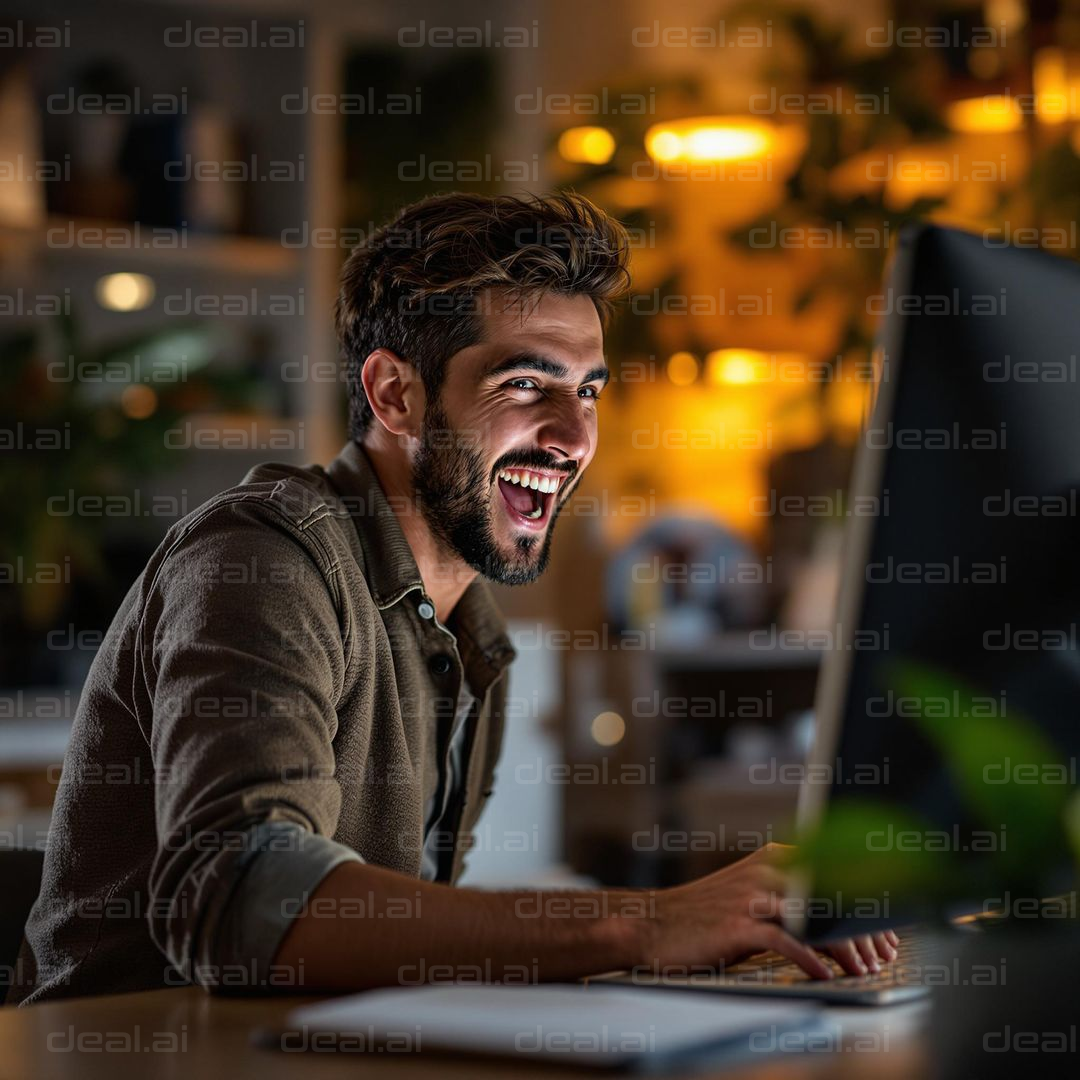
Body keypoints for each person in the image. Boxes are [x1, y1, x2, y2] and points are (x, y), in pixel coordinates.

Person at [10, 192, 895, 1005]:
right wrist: (649, 924)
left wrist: (718, 946)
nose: (576, 436)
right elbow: (242, 899)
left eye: (588, 392)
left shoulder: (471, 630)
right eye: (525, 385)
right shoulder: (262, 556)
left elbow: (396, 942)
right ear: (396, 393)